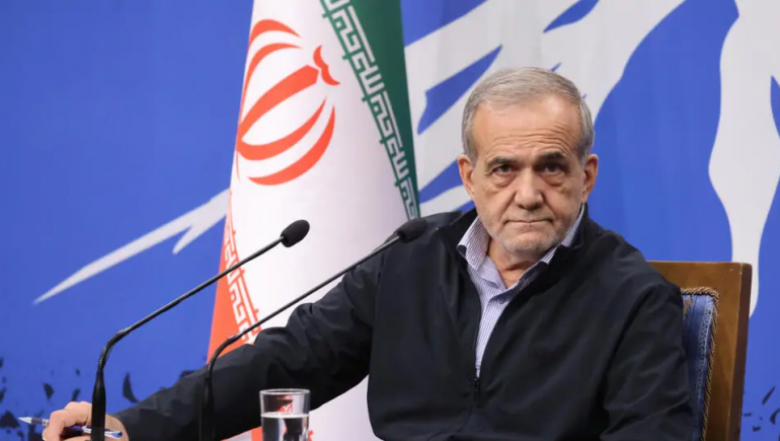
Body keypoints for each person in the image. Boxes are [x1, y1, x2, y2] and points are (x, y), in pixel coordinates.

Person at [44, 67, 692, 441]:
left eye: (551, 167)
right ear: (469, 177)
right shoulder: (412, 257)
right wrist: (132, 427)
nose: (528, 194)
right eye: (503, 169)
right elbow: (289, 359)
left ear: (587, 176)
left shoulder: (634, 300)